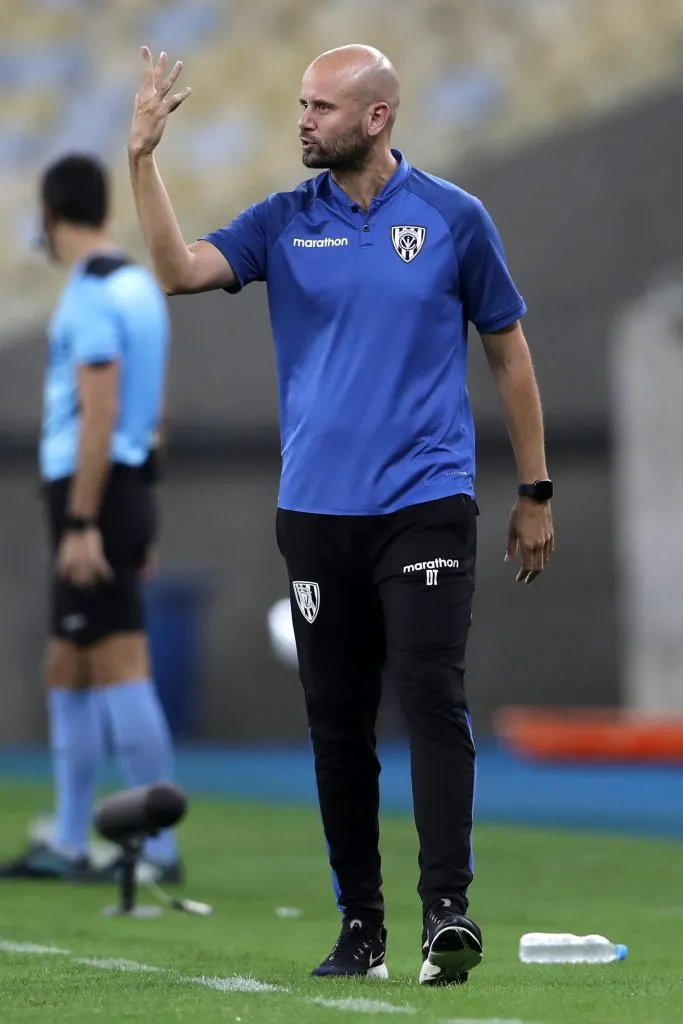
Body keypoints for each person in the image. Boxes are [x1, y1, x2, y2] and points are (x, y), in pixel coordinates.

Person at [127, 43, 554, 984]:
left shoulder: (453, 218)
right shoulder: (282, 221)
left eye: (320, 106)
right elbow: (176, 269)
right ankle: (361, 928)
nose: (302, 121)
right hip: (316, 513)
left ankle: (447, 912)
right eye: (299, 104)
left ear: (376, 117)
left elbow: (508, 350)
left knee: (433, 696)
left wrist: (533, 490)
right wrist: (143, 161)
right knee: (337, 723)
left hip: (426, 503)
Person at [0, 154, 182, 883]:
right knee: (68, 664)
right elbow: (153, 415)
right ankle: (73, 838)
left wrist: (82, 524)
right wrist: (143, 510)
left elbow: (100, 411)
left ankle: (158, 849)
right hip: (123, 489)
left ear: (50, 215)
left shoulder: (87, 298)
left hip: (92, 494)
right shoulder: (140, 287)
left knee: (115, 662)